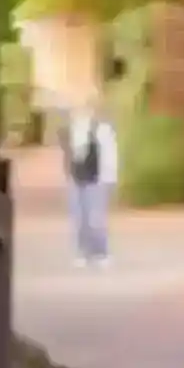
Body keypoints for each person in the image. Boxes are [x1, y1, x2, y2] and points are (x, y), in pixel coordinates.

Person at [62, 72, 122, 268]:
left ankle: (101, 252)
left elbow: (109, 154)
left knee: (96, 216)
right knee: (79, 217)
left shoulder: (102, 129)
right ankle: (83, 252)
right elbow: (70, 153)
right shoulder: (74, 127)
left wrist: (110, 178)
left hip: (97, 177)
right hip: (77, 176)